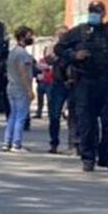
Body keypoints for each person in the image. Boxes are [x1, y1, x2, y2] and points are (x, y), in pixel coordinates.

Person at [58, 1, 108, 172]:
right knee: (87, 122)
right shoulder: (79, 31)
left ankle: (107, 157)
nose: (95, 14)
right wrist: (74, 55)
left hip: (106, 81)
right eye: (92, 11)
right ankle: (88, 158)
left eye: (98, 11)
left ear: (103, 14)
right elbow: (59, 48)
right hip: (85, 81)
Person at [2, 26, 35, 152]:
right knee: (21, 116)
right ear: (22, 37)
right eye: (29, 35)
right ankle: (17, 144)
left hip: (11, 86)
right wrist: (29, 90)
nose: (31, 38)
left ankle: (7, 142)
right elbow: (23, 73)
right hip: (20, 88)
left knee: (13, 115)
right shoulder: (23, 54)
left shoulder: (13, 52)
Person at [46, 25, 71, 154]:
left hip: (72, 83)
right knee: (54, 115)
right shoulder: (54, 46)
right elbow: (48, 59)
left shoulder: (73, 46)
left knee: (75, 115)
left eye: (65, 34)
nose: (63, 37)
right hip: (58, 83)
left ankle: (74, 144)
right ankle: (54, 143)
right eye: (61, 35)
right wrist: (55, 53)